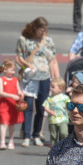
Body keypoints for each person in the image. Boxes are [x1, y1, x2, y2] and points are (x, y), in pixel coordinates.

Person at [16, 17, 59, 147]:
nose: (43, 32)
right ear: (35, 28)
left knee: (41, 107)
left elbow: (52, 60)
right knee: (28, 106)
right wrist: (26, 67)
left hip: (44, 76)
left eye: (45, 30)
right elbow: (18, 57)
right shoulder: (24, 39)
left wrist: (54, 78)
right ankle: (27, 136)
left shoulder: (48, 41)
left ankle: (36, 134)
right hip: (30, 77)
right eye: (42, 30)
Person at [0, 59, 25, 150]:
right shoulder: (1, 79)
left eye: (14, 70)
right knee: (4, 123)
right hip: (4, 104)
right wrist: (11, 95)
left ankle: (11, 141)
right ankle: (2, 142)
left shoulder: (15, 80)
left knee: (12, 124)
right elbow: (1, 92)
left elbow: (19, 91)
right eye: (11, 70)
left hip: (13, 104)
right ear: (5, 70)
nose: (13, 72)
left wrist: (21, 95)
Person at [42, 81, 71, 146]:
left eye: (53, 87)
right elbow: (45, 106)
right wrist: (49, 111)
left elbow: (69, 105)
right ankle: (53, 148)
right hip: (52, 120)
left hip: (63, 119)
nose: (51, 89)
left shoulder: (65, 97)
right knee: (53, 136)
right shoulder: (49, 98)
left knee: (64, 133)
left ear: (60, 88)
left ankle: (63, 146)